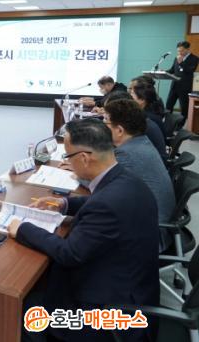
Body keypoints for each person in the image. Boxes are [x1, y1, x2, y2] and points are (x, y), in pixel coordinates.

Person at [8, 119, 159, 342]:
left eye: (68, 156)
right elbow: (101, 201)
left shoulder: (107, 204)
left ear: (84, 158)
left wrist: (23, 228)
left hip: (107, 312)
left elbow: (69, 253)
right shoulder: (126, 179)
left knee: (16, 310)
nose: (67, 162)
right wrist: (64, 204)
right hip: (131, 284)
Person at [104, 98, 175, 251]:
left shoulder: (127, 154)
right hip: (154, 225)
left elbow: (102, 182)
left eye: (106, 122)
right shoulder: (140, 142)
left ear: (120, 130)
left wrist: (77, 171)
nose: (103, 126)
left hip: (149, 236)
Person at [105, 91, 167, 159]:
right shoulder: (138, 130)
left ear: (120, 130)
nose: (104, 125)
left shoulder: (125, 154)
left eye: (106, 120)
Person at [166, 41, 198, 120]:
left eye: (182, 50)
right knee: (168, 105)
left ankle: (182, 124)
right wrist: (163, 72)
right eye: (178, 51)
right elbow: (172, 70)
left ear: (188, 49)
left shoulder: (194, 58)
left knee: (184, 108)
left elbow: (190, 70)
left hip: (185, 88)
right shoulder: (177, 58)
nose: (179, 52)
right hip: (174, 86)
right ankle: (167, 122)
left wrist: (181, 63)